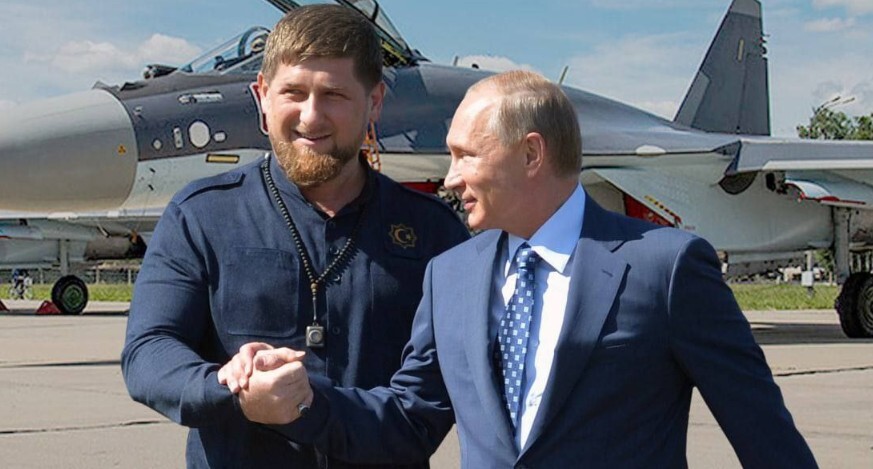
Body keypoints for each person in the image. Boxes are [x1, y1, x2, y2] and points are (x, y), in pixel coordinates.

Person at [225, 70, 818, 468]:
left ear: (531, 153)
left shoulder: (666, 267)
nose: (450, 178)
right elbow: (409, 418)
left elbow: (766, 437)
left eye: (465, 156)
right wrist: (303, 401)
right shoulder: (449, 275)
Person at [120, 5, 469, 468]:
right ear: (262, 96)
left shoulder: (434, 234)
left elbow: (425, 406)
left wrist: (307, 405)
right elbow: (149, 352)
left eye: (334, 94)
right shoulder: (201, 216)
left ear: (375, 102)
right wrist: (230, 386)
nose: (311, 116)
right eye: (293, 92)